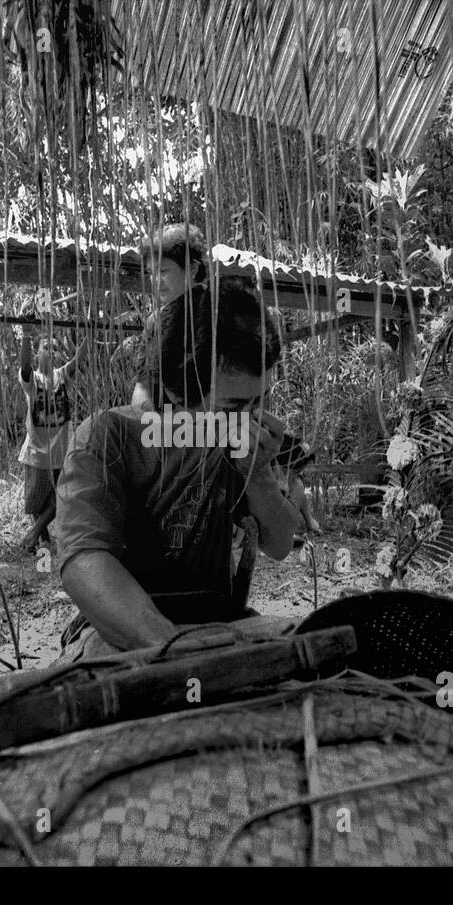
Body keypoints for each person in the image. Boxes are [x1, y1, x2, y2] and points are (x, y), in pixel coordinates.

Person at [55, 282, 301, 661]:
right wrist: (169, 645)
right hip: (121, 634)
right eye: (232, 405)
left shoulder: (242, 443)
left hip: (221, 625)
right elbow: (84, 560)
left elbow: (281, 544)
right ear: (174, 390)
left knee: (306, 641)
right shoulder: (108, 437)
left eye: (259, 401)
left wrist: (257, 472)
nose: (250, 418)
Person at [113, 222, 209, 409]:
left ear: (192, 268)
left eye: (163, 271)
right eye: (151, 273)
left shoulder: (220, 311)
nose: (155, 281)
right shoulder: (155, 321)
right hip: (163, 426)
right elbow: (143, 387)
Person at [16, 328, 87, 553]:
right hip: (36, 452)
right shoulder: (32, 380)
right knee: (36, 503)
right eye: (46, 348)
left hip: (61, 452)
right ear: (37, 354)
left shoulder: (62, 376)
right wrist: (26, 336)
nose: (52, 352)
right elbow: (25, 365)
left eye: (56, 348)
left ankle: (33, 534)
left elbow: (79, 359)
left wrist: (90, 333)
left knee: (60, 499)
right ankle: (44, 540)